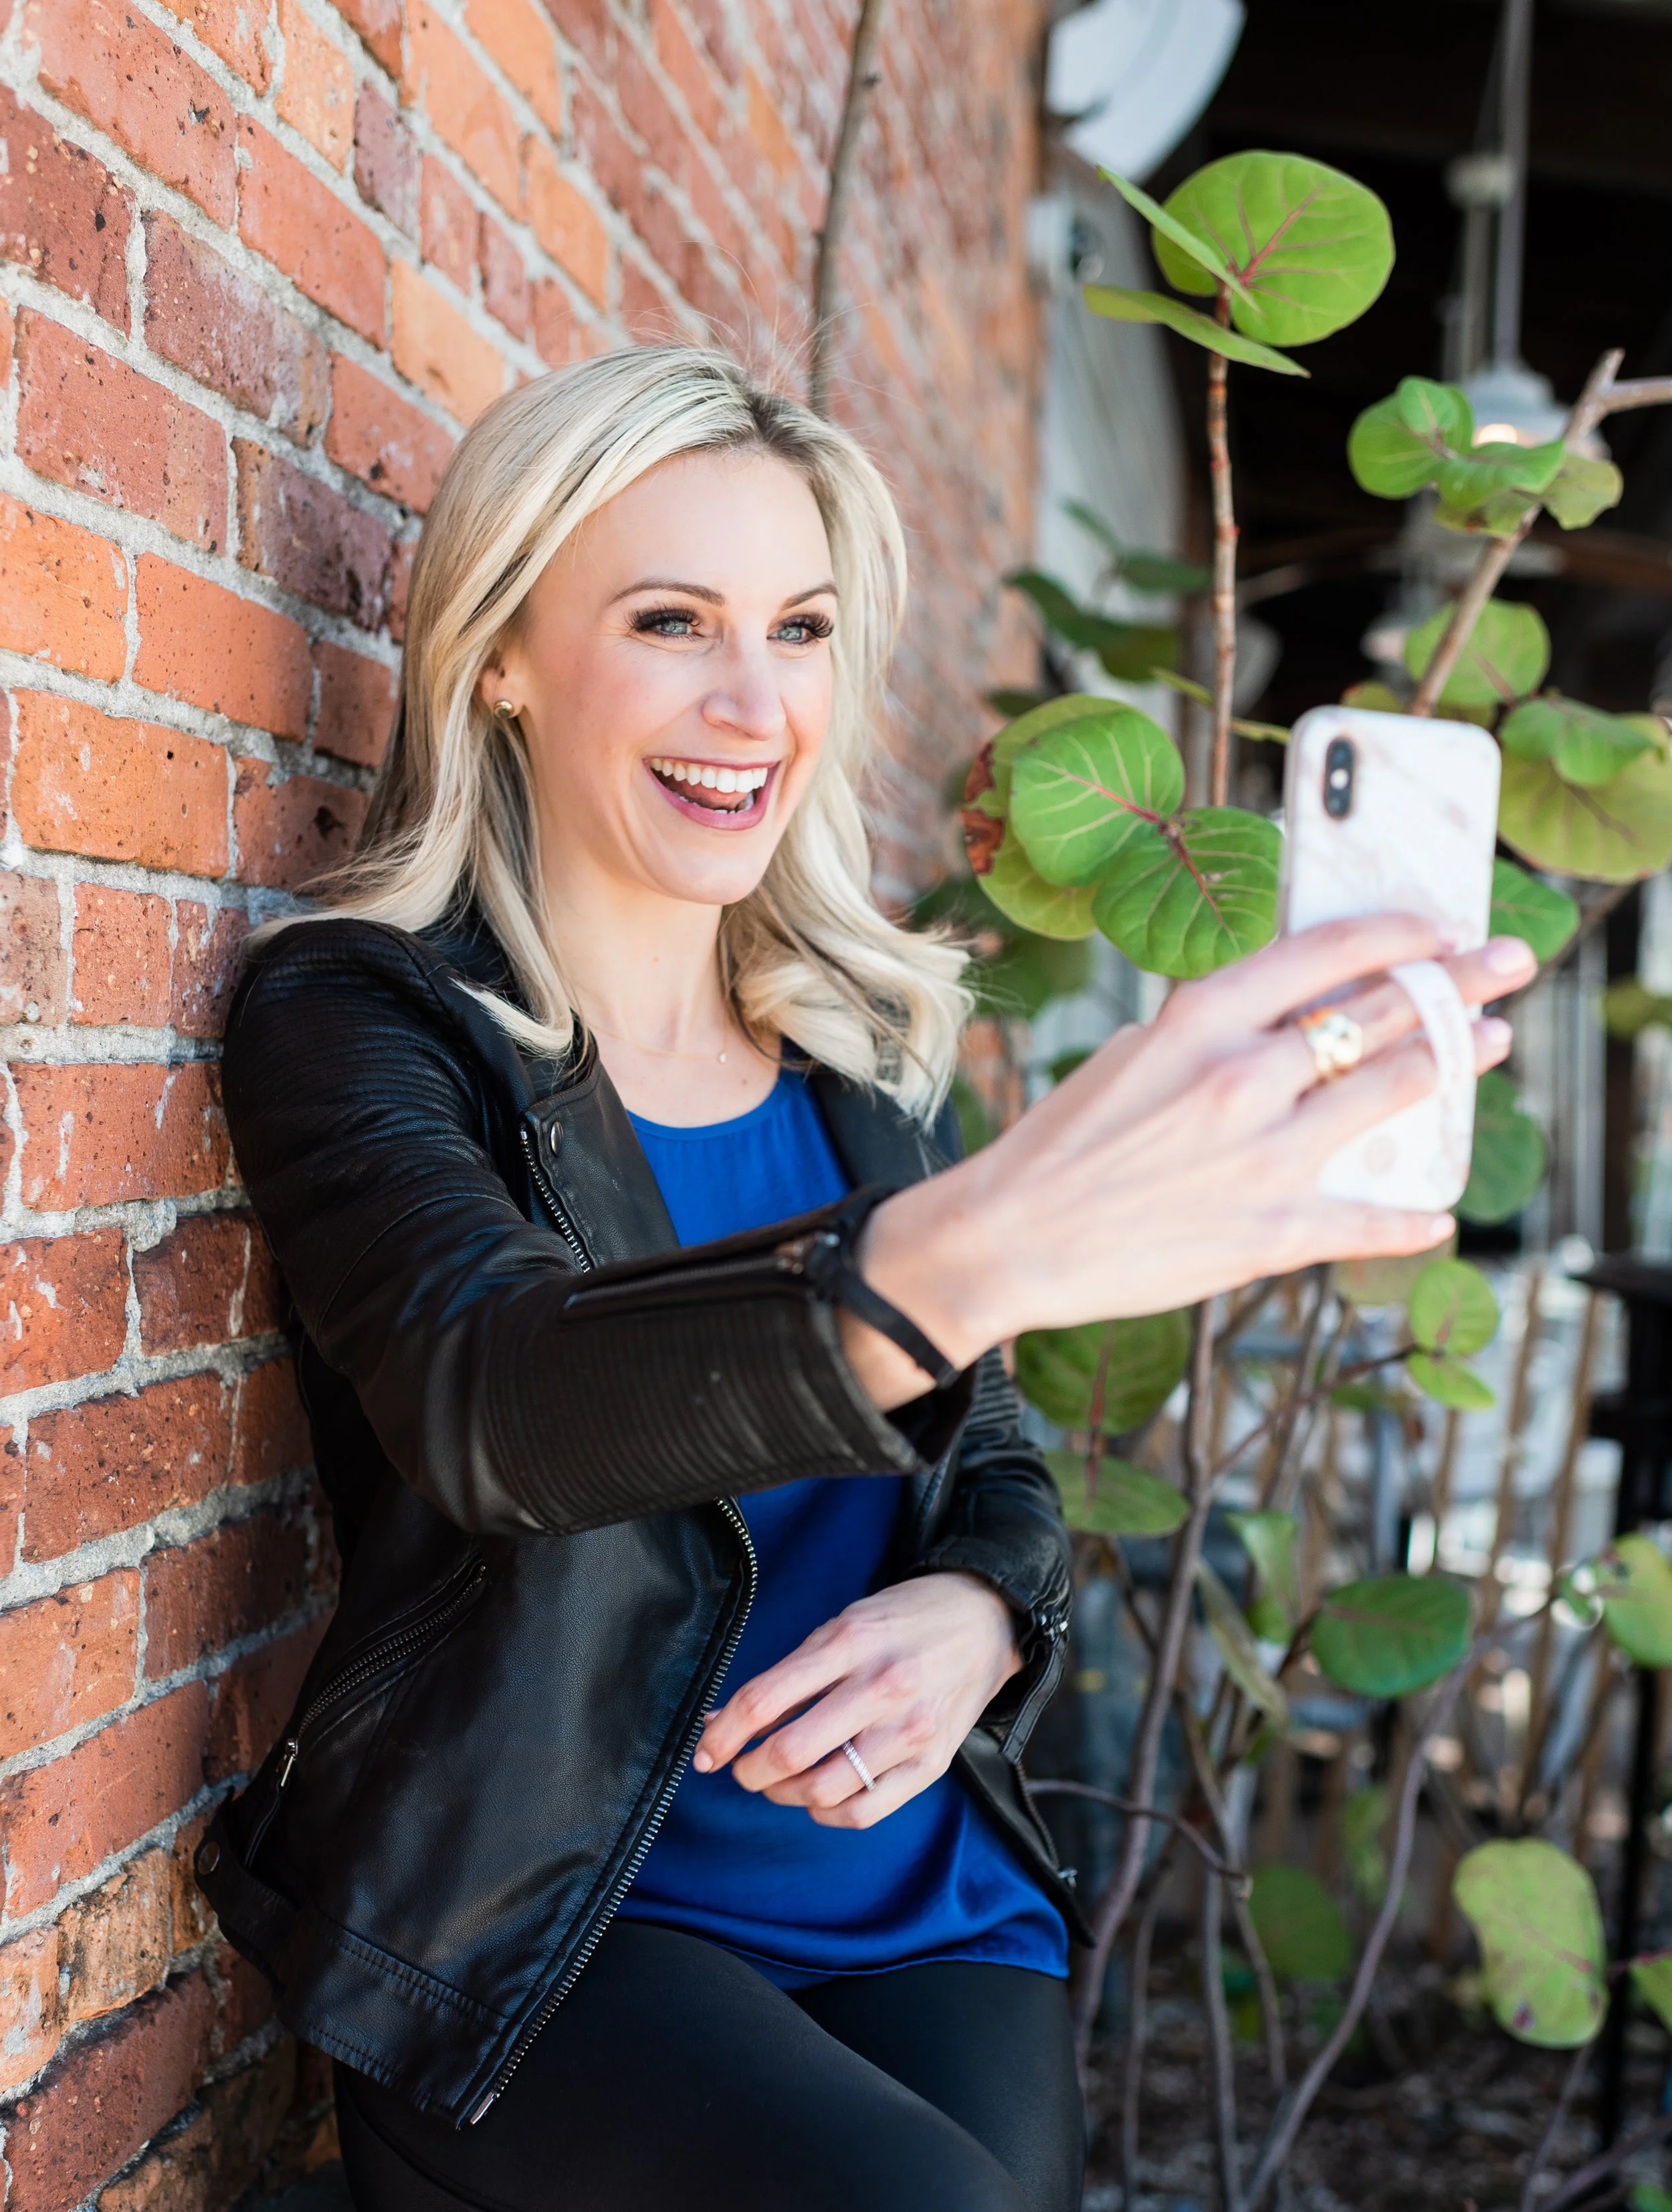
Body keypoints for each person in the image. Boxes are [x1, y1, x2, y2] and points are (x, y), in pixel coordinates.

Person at [197, 346, 1534, 2212]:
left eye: (803, 628)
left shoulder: (855, 1057)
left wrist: (981, 1613)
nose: (754, 702)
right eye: (672, 621)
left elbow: (987, 1457)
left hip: (925, 1899)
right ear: (501, 651)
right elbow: (490, 1402)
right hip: (557, 1917)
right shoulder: (371, 1015)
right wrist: (996, 1237)